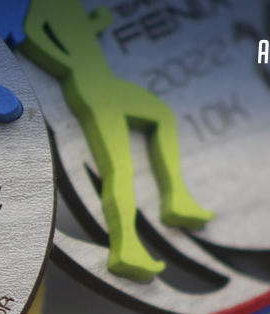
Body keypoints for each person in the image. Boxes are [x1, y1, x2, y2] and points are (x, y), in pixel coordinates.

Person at [21, 0, 213, 280]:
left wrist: (97, 23)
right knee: (119, 167)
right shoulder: (41, 4)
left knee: (162, 116)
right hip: (90, 86)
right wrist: (67, 64)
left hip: (104, 80)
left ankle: (177, 200)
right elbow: (31, 32)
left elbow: (77, 35)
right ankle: (126, 248)